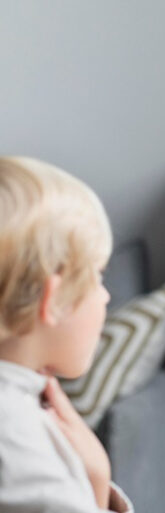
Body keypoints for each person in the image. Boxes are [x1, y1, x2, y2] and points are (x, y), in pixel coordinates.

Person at [0, 157, 133, 512]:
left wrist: (96, 480)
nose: (105, 296)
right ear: (55, 299)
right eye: (98, 276)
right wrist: (97, 484)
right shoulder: (22, 451)